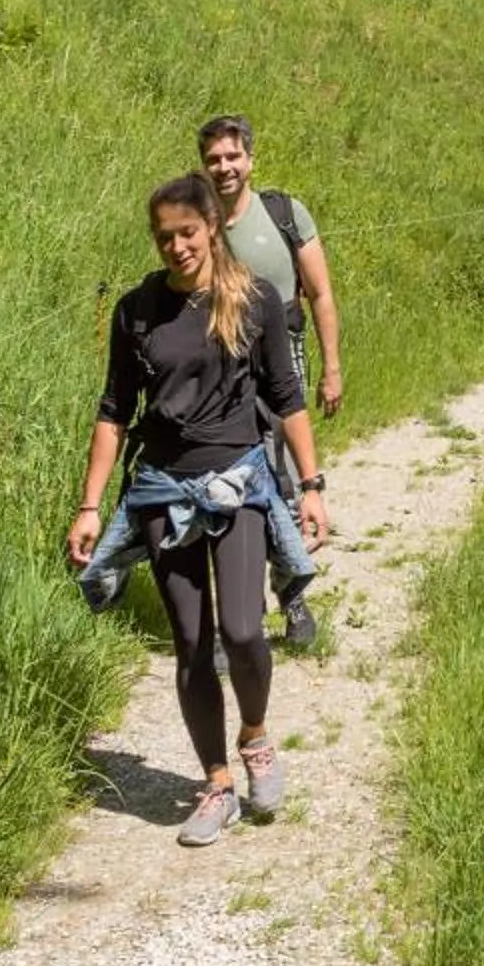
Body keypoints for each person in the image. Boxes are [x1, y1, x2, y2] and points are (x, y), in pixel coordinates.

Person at [67, 172, 330, 848]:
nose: (177, 247)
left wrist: (311, 485)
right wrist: (90, 506)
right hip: (162, 490)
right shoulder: (137, 311)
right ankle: (216, 783)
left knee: (244, 631)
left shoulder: (257, 301)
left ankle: (255, 737)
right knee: (192, 645)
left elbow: (286, 394)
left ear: (212, 228)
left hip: (238, 482)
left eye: (187, 232)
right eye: (164, 237)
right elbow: (113, 412)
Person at [197, 114, 342, 644]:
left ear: (250, 160)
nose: (224, 166)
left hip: (286, 359)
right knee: (235, 480)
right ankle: (245, 604)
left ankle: (293, 594)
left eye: (232, 156)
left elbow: (321, 293)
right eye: (214, 159)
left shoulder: (284, 213)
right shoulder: (201, 224)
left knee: (283, 479)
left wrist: (331, 369)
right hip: (226, 365)